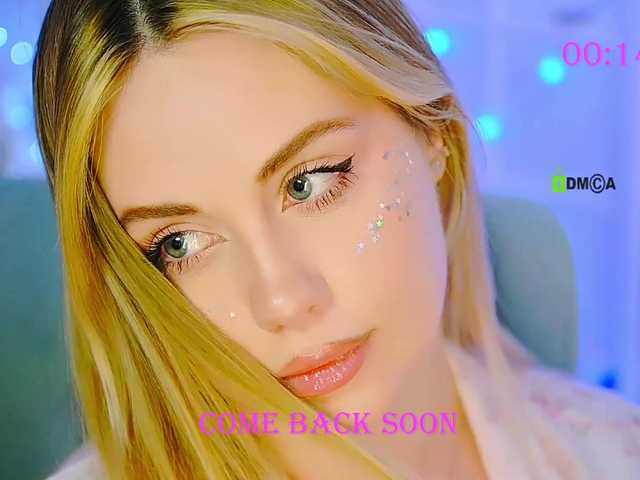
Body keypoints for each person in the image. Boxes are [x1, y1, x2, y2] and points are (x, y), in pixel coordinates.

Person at [33, 1, 640, 479]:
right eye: (181, 244)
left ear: (430, 131)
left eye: (311, 183)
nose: (282, 300)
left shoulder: (615, 452)